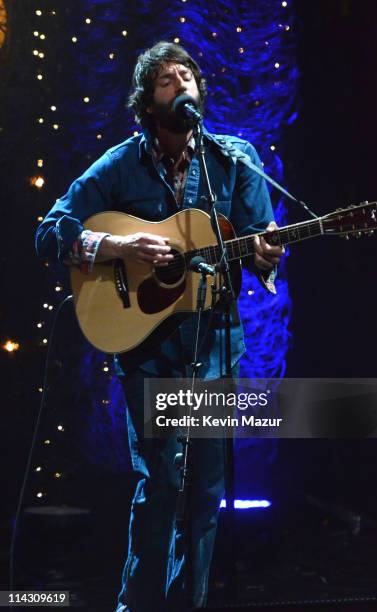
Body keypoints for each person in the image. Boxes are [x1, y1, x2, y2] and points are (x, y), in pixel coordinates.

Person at [35, 41, 284, 612]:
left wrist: (266, 257)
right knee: (164, 484)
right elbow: (51, 229)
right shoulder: (123, 164)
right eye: (168, 80)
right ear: (148, 102)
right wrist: (119, 244)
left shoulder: (235, 158)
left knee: (207, 494)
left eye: (188, 75)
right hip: (149, 348)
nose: (183, 83)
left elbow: (258, 242)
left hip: (217, 344)